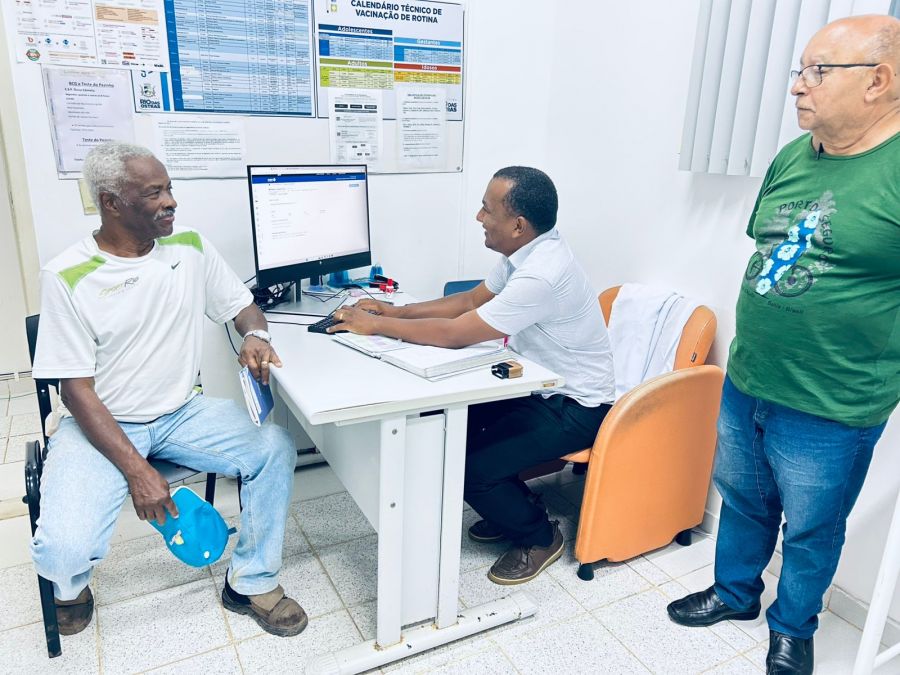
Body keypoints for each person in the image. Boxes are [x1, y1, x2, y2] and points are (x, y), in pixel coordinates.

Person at [667, 15, 900, 675]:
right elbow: (771, 250)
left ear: (879, 81)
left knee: (812, 528)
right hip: (749, 378)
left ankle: (793, 628)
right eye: (799, 70)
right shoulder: (794, 156)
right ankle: (735, 592)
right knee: (742, 498)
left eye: (817, 72)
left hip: (832, 402)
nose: (798, 86)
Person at [31, 142, 307, 638]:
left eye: (169, 188)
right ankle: (73, 585)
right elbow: (75, 391)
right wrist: (139, 473)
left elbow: (242, 306)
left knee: (274, 447)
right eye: (154, 193)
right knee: (61, 553)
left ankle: (251, 579)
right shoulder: (67, 275)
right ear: (112, 202)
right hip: (100, 422)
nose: (170, 201)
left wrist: (256, 335)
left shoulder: (190, 246)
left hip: (180, 413)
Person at [328, 166, 615, 584]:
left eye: (487, 209)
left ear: (518, 225)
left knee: (470, 468)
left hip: (576, 406)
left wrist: (374, 326)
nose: (479, 217)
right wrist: (395, 312)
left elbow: (455, 334)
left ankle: (538, 536)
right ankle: (513, 507)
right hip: (537, 388)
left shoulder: (542, 274)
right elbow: (469, 301)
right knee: (447, 430)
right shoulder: (525, 252)